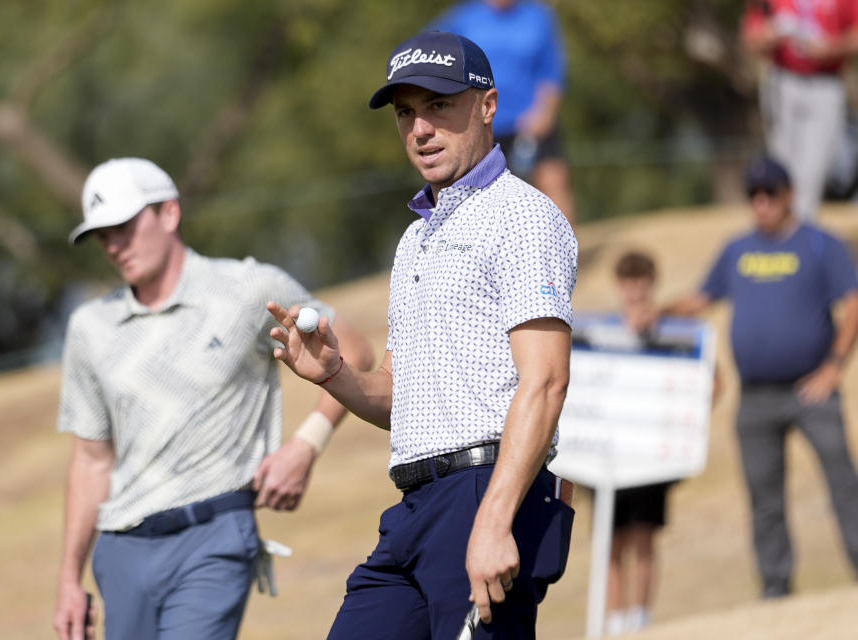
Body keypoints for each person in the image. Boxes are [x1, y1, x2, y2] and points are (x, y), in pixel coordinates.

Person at [267, 31, 577, 639]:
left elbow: (545, 382)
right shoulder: (416, 238)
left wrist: (493, 520)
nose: (420, 130)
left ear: (487, 106)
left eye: (439, 107)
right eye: (407, 114)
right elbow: (399, 399)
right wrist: (335, 374)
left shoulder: (524, 216)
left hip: (488, 495)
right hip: (413, 509)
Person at [51, 157, 373, 640]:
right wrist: (68, 580)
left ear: (169, 214)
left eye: (124, 226)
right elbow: (92, 461)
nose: (115, 246)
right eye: (103, 236)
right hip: (122, 553)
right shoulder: (89, 328)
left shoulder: (247, 289)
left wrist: (306, 445)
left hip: (215, 535)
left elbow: (353, 347)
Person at [657, 156, 858, 598]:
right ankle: (775, 587)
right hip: (756, 399)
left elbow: (853, 304)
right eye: (754, 195)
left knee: (844, 484)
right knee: (765, 499)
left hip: (814, 390)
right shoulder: (737, 249)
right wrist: (657, 312)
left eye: (770, 193)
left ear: (789, 195)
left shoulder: (821, 245)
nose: (762, 203)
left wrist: (833, 367)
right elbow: (701, 298)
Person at [432, 0, 576, 225]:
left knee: (554, 182)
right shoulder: (463, 18)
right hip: (482, 123)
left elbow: (552, 70)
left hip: (532, 120)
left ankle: (566, 254)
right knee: (479, 198)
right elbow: (433, 55)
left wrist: (545, 112)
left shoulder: (538, 16)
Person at [604, 251, 676, 636]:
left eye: (641, 282)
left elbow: (706, 381)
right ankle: (614, 618)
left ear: (652, 282)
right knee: (610, 540)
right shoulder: (599, 331)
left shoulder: (672, 330)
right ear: (618, 285)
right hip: (608, 455)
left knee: (644, 535)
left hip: (649, 453)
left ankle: (640, 617)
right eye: (628, 282)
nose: (635, 290)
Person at [742, 0, 858, 221]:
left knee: (813, 172)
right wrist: (771, 35)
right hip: (783, 81)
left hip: (827, 83)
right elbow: (751, 37)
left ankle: (800, 234)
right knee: (779, 168)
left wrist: (832, 48)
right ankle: (774, 232)